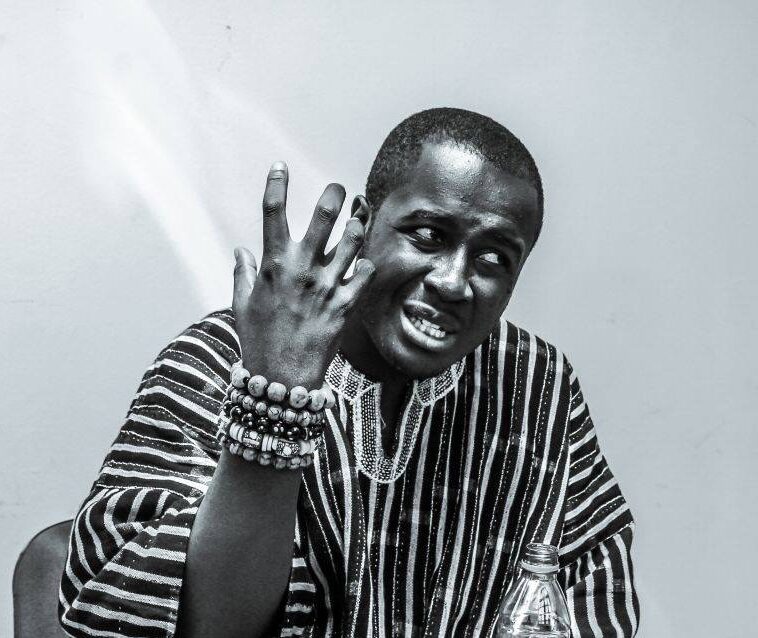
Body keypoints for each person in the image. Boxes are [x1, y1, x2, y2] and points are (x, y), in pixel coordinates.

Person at [59, 107, 639, 638]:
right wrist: (278, 394)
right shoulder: (223, 355)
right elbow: (169, 618)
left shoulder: (537, 385)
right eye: (429, 236)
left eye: (494, 258)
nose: (453, 282)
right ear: (363, 223)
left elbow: (594, 590)